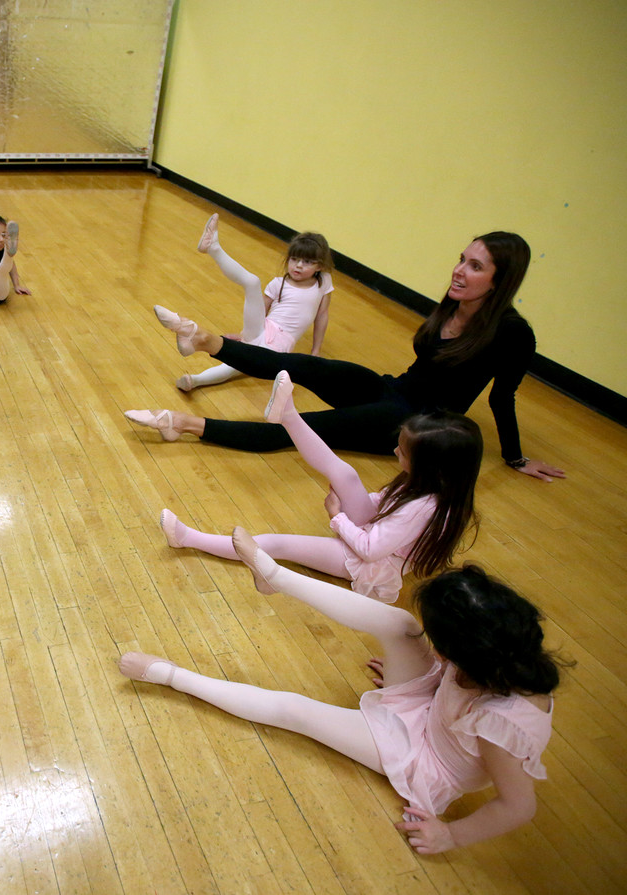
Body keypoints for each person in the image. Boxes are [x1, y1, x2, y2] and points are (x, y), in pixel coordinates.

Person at [120, 528, 564, 854]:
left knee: (295, 710)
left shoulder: (501, 722)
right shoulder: (499, 650)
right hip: (430, 707)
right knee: (401, 626)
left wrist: (450, 835)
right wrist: (423, 686)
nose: (434, 647)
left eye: (440, 645)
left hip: (422, 756)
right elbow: (456, 680)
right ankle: (275, 575)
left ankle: (170, 675)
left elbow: (517, 807)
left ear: (458, 654)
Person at [124, 232, 566, 482]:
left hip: (412, 424)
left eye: (475, 266)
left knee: (298, 426)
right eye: (462, 259)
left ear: (500, 280)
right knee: (305, 365)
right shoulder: (454, 303)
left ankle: (180, 424)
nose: (459, 270)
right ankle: (203, 339)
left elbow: (502, 397)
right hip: (390, 389)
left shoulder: (512, 334)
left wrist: (515, 458)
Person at [157, 377, 480, 602]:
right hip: (372, 532)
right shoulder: (427, 485)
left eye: (403, 452)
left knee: (273, 544)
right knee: (345, 474)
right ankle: (289, 417)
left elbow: (370, 549)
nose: (395, 453)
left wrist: (337, 516)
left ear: (431, 466)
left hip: (372, 565)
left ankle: (187, 539)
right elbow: (381, 503)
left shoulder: (424, 506)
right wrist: (351, 499)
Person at [179, 215, 333, 391]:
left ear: (319, 266)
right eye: (294, 259)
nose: (298, 266)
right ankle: (213, 248)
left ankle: (194, 380)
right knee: (252, 282)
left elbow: (322, 315)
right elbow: (260, 310)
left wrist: (316, 351)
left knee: (234, 366)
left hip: (278, 346)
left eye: (306, 262)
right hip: (263, 329)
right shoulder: (278, 283)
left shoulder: (324, 282)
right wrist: (244, 335)